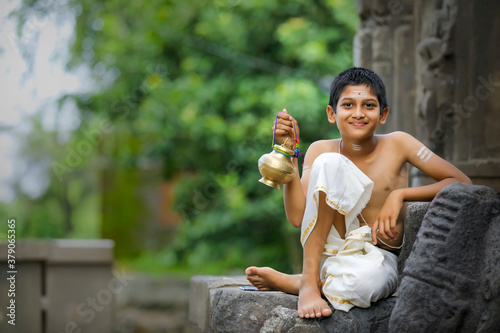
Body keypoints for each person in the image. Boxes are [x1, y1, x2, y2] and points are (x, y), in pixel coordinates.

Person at [246, 67, 471, 319]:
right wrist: (289, 152)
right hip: (326, 252)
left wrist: (400, 195)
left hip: (376, 258)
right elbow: (298, 218)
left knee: (362, 286)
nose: (358, 113)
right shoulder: (321, 151)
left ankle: (299, 282)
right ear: (332, 113)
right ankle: (309, 280)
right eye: (349, 104)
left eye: (369, 105)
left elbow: (461, 181)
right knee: (330, 162)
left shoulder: (399, 144)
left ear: (383, 114)